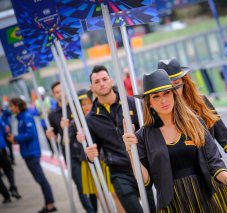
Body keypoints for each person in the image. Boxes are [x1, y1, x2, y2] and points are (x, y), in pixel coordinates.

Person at [122, 69, 227, 212]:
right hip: (173, 203)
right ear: (149, 103)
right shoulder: (143, 136)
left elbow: (213, 160)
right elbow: (146, 181)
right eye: (156, 97)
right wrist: (130, 149)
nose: (163, 100)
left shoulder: (194, 122)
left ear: (173, 94)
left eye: (166, 93)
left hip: (207, 193)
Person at [159, 58, 227, 211]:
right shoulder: (162, 113)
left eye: (177, 84)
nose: (175, 90)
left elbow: (223, 136)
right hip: (183, 183)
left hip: (214, 172)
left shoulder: (201, 102)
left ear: (185, 81)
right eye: (169, 87)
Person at [78, 65, 156, 213]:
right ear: (91, 87)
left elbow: (149, 132)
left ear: (111, 81)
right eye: (97, 81)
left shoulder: (131, 103)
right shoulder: (91, 119)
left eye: (104, 79)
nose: (101, 83)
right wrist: (90, 155)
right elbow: (92, 149)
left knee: (153, 209)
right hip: (119, 173)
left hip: (142, 167)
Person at [6, 97, 57, 213]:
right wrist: (16, 140)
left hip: (32, 153)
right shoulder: (21, 117)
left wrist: (16, 138)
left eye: (11, 106)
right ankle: (48, 203)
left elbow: (30, 134)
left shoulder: (26, 117)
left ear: (17, 106)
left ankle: (50, 204)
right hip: (28, 153)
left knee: (41, 179)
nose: (10, 109)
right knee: (39, 179)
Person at [59, 89, 98, 213]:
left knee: (95, 190)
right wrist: (64, 129)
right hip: (80, 159)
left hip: (96, 158)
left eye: (88, 103)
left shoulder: (98, 116)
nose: (86, 106)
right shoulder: (75, 122)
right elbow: (66, 143)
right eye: (83, 104)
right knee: (85, 188)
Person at [46, 81, 72, 159]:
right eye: (57, 92)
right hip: (68, 149)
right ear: (54, 96)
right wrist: (50, 135)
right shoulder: (52, 115)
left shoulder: (77, 106)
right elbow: (55, 137)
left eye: (62, 90)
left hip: (84, 145)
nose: (60, 94)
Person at [0, 116, 21, 201]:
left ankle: (6, 195)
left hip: (1, 148)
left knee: (8, 169)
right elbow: (6, 129)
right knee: (8, 169)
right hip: (1, 148)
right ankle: (13, 188)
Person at [34, 86, 57, 157]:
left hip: (51, 122)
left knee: (54, 136)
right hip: (43, 123)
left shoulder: (49, 99)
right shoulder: (36, 102)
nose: (41, 96)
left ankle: (57, 150)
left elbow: (55, 106)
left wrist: (50, 109)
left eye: (41, 95)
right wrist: (39, 113)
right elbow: (34, 112)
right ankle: (52, 151)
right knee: (48, 138)